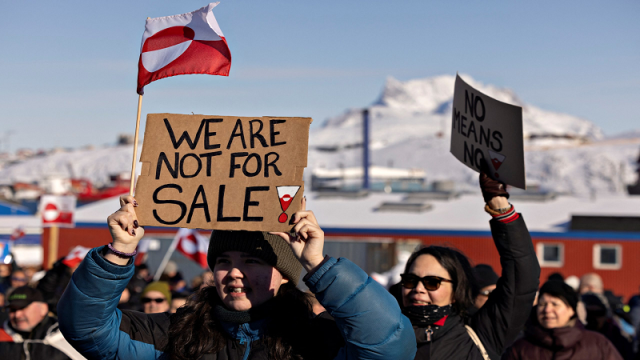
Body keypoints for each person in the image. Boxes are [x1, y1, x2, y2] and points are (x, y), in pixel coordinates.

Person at [58, 196, 416, 360]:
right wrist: (119, 253)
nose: (235, 273)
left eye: (252, 261)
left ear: (285, 275)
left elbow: (389, 346)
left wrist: (318, 264)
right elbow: (86, 329)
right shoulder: (173, 334)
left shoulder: (318, 340)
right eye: (224, 260)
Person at [396, 168, 540, 359]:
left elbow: (522, 278)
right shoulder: (375, 335)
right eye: (411, 280)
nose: (418, 289)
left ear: (456, 292)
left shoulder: (481, 334)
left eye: (432, 282)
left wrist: (499, 206)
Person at [503, 280, 623, 359]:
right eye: (542, 304)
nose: (547, 310)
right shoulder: (521, 348)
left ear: (571, 310)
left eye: (555, 304)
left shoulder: (597, 344)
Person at [0, 286, 85, 360]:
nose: (17, 315)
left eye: (23, 308)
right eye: (12, 310)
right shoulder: (3, 336)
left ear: (43, 309)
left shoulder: (68, 336)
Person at [37, 246, 90, 315]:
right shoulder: (60, 274)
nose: (73, 268)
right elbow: (47, 295)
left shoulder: (96, 280)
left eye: (77, 264)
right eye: (71, 265)